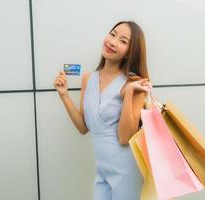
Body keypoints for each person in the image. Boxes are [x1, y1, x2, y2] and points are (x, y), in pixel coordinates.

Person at [53, 20, 152, 200]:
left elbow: (124, 138)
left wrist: (129, 93)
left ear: (131, 53)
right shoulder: (87, 79)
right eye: (113, 35)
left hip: (127, 169)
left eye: (123, 41)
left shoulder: (135, 83)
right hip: (102, 169)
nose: (113, 42)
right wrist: (64, 95)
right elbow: (84, 128)